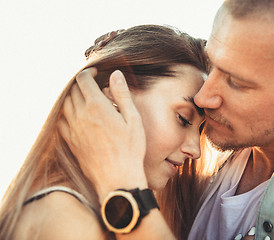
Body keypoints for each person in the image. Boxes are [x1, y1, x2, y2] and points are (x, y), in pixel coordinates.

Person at [57, 0, 274, 240]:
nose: (204, 97)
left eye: (237, 82)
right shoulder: (211, 163)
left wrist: (123, 188)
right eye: (212, 63)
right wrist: (122, 56)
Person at [0, 25, 210, 240]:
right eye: (183, 119)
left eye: (201, 129)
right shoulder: (69, 222)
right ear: (114, 97)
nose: (196, 150)